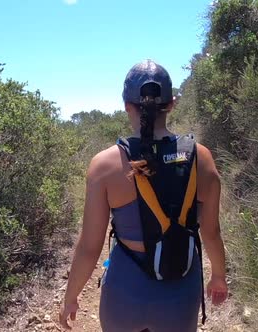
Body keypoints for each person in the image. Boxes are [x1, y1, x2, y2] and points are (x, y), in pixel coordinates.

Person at [59, 59, 228, 332]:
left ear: (127, 105)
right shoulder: (202, 158)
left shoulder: (104, 165)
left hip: (125, 292)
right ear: (171, 103)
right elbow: (211, 233)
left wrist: (71, 297)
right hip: (180, 293)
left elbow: (90, 247)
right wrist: (219, 276)